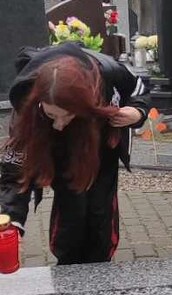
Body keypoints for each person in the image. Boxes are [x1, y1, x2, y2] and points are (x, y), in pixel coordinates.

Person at [0, 43, 147, 266]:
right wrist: (11, 221)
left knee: (100, 212)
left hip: (97, 139)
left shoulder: (108, 73)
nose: (59, 124)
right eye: (52, 114)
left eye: (66, 115)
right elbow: (16, 172)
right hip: (54, 145)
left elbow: (140, 88)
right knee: (71, 210)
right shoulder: (27, 106)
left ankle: (101, 264)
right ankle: (67, 266)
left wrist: (138, 111)